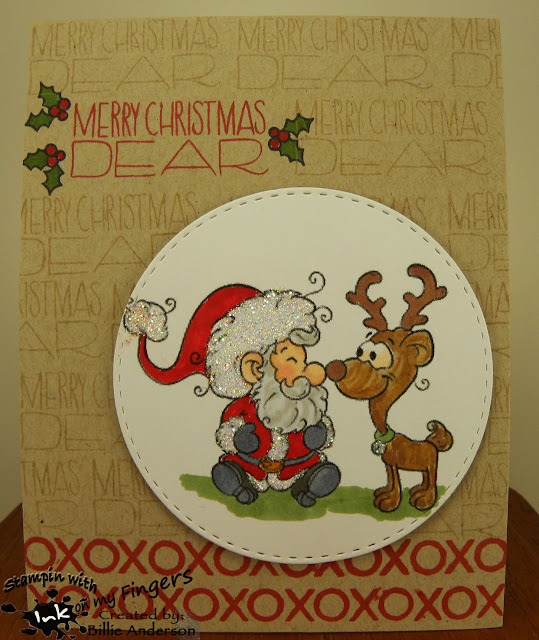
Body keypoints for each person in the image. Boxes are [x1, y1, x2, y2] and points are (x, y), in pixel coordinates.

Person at [124, 285, 340, 507]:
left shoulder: (304, 404)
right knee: (232, 468)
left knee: (313, 465)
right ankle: (238, 483)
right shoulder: (248, 406)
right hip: (252, 466)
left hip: (296, 466)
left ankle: (309, 484)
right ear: (254, 368)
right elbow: (229, 430)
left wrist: (317, 433)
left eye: (303, 361)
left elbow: (316, 422)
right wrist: (240, 438)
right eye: (293, 362)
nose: (305, 370)